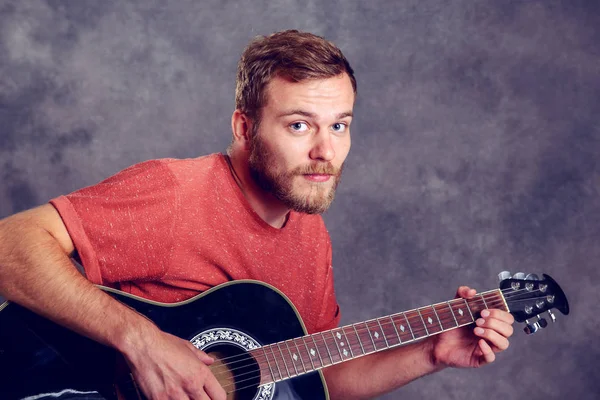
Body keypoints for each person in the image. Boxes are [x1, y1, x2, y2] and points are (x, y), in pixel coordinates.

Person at [0, 30, 514, 400]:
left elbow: (312, 377)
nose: (325, 152)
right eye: (299, 125)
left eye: (339, 127)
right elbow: (10, 245)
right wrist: (143, 342)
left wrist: (430, 354)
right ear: (244, 129)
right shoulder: (178, 194)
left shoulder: (310, 235)